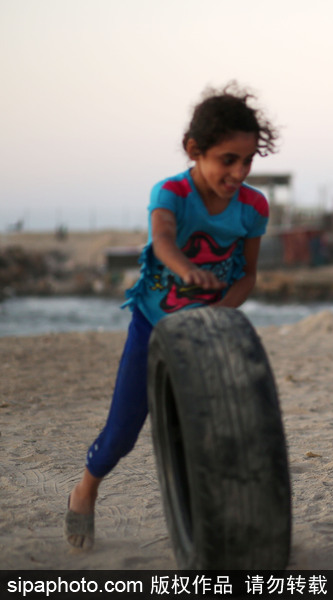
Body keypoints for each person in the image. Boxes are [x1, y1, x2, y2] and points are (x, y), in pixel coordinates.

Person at [65, 83, 278, 549]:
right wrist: (187, 271)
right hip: (153, 324)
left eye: (247, 161)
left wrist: (217, 313)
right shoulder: (172, 193)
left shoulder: (253, 206)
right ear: (193, 150)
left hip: (211, 330)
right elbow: (162, 240)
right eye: (227, 160)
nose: (239, 172)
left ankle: (219, 521)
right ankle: (86, 489)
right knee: (123, 431)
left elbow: (247, 277)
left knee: (217, 430)